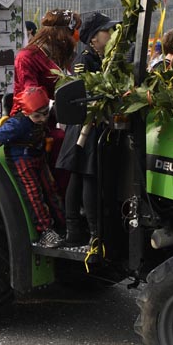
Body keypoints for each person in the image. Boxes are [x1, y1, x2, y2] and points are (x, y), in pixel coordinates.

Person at [0, 86, 65, 247]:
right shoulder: (16, 124)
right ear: (26, 113)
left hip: (39, 155)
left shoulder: (42, 118)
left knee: (52, 189)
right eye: (37, 116)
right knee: (33, 194)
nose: (43, 119)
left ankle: (63, 221)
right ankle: (45, 230)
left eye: (45, 113)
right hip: (21, 159)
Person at [57, 12, 118, 246]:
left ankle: (90, 231)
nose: (111, 35)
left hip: (96, 125)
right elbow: (88, 94)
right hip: (84, 126)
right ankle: (88, 233)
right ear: (93, 38)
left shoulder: (105, 57)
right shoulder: (84, 59)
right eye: (107, 31)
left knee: (85, 178)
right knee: (84, 178)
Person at [12, 9, 80, 114]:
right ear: (60, 33)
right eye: (72, 31)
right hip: (31, 119)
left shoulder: (65, 55)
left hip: (61, 115)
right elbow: (31, 95)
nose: (76, 37)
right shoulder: (27, 57)